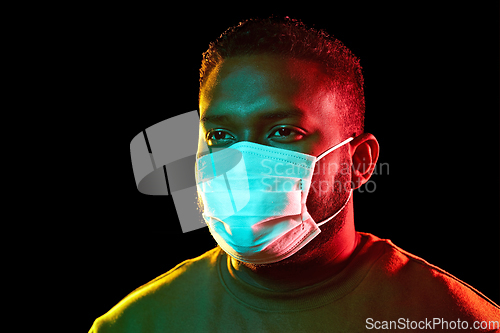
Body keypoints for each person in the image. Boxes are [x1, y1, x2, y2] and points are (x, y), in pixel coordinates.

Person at [90, 17, 500, 332]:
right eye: (220, 134)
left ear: (360, 162)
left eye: (283, 131)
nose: (241, 161)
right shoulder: (136, 324)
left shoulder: (453, 320)